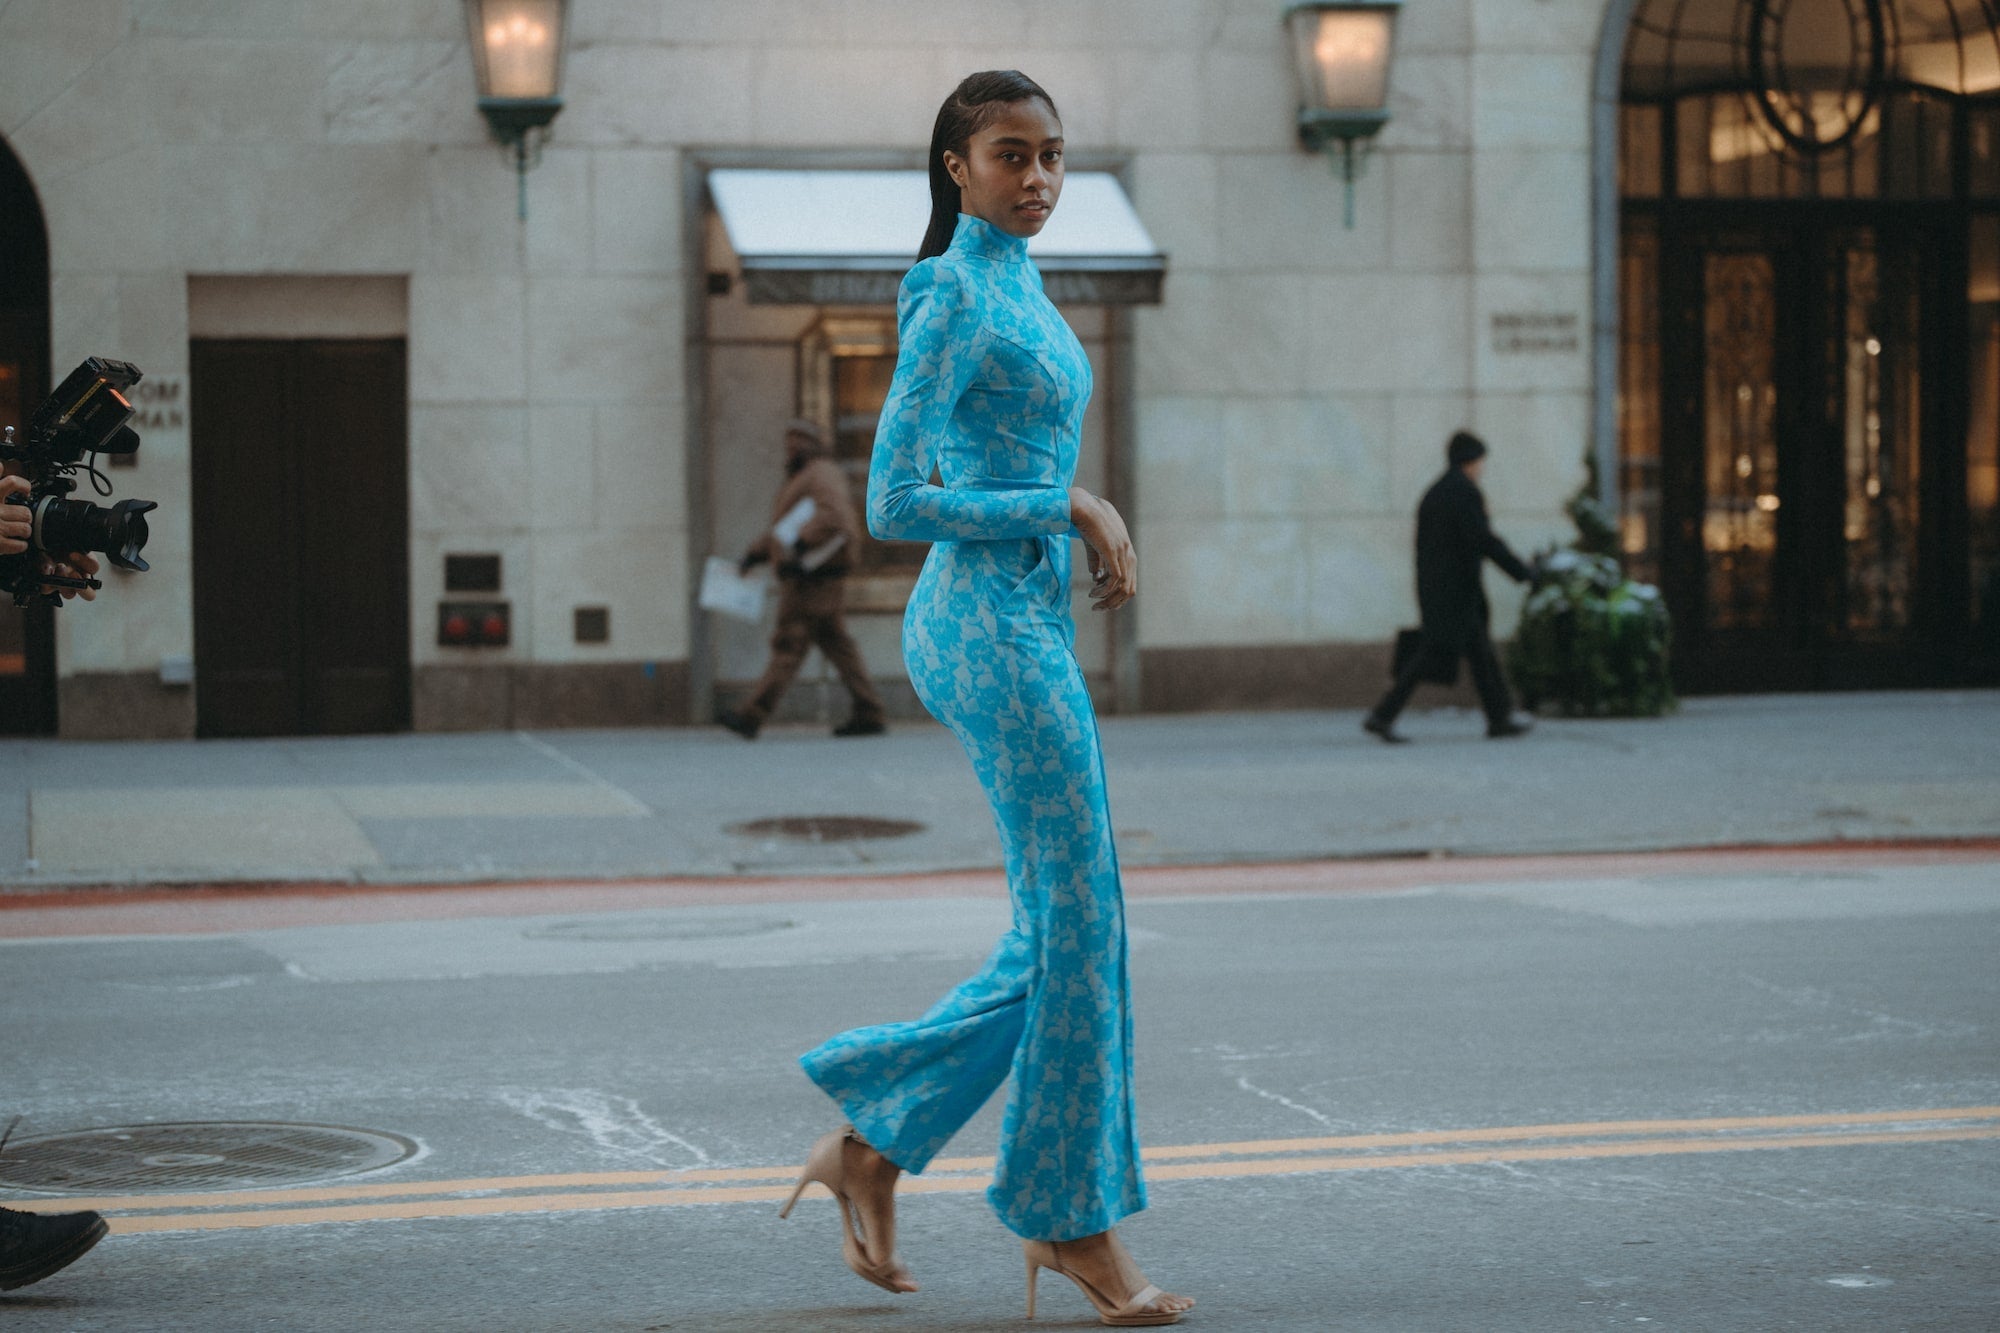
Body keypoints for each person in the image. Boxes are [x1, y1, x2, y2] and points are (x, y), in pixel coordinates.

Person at [778, 72, 1193, 1326]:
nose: (1038, 178)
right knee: (1083, 926)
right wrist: (1066, 503)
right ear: (955, 166)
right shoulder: (948, 288)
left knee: (1067, 927)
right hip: (978, 627)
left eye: (1052, 156)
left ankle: (873, 1144)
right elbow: (898, 498)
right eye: (1011, 155)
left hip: (1026, 624)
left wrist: (1060, 511)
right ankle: (1068, 1222)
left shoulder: (1019, 279)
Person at [718, 419, 887, 740]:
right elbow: (784, 530)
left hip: (812, 580)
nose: (792, 448)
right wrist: (756, 554)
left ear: (813, 444)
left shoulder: (820, 473)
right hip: (811, 578)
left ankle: (752, 715)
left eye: (798, 441)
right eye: (789, 442)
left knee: (789, 644)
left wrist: (800, 545)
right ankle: (870, 711)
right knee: (838, 645)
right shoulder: (806, 477)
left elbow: (833, 518)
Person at [1365, 430, 1536, 743]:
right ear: (1469, 461)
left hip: (1444, 591)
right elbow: (1484, 540)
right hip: (1455, 594)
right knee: (1431, 655)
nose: (1481, 468)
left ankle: (1499, 717)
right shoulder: (1463, 493)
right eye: (1480, 461)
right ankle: (1382, 714)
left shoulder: (1437, 492)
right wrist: (1522, 571)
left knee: (1481, 654)